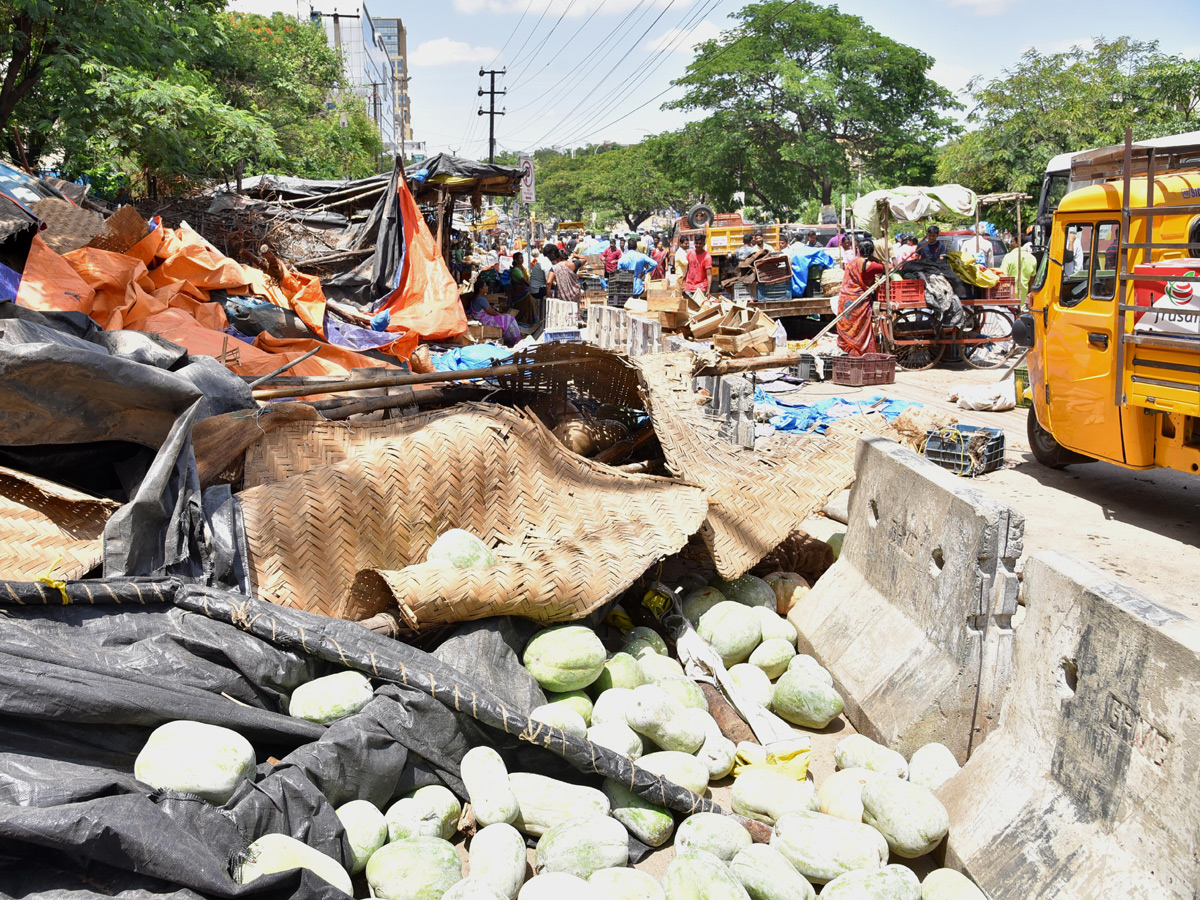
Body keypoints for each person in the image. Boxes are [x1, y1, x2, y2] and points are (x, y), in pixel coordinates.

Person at [837, 238, 886, 357]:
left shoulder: (852, 263)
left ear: (859, 250)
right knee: (860, 328)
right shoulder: (871, 265)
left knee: (849, 327)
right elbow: (887, 266)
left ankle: (848, 352)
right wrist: (875, 258)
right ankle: (860, 352)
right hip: (859, 301)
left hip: (845, 299)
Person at [507, 251, 537, 324]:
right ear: (516, 260)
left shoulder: (522, 268)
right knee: (524, 309)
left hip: (525, 291)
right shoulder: (516, 270)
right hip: (521, 293)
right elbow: (524, 281)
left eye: (522, 258)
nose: (522, 259)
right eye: (520, 258)